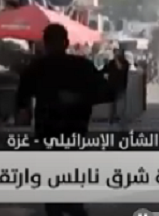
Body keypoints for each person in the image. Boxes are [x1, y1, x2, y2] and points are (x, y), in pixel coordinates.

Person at [15, 24, 114, 216]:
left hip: (49, 131)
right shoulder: (81, 66)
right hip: (72, 130)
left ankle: (63, 206)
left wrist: (24, 110)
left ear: (45, 44)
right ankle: (71, 206)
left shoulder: (37, 68)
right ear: (66, 43)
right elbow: (107, 92)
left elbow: (22, 98)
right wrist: (81, 98)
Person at [102, 48, 131, 124]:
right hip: (111, 86)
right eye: (115, 53)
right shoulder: (111, 63)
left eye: (118, 53)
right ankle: (111, 118)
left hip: (121, 86)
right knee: (112, 104)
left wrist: (116, 59)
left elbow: (120, 68)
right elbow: (105, 72)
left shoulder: (125, 63)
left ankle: (121, 118)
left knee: (121, 103)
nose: (116, 55)